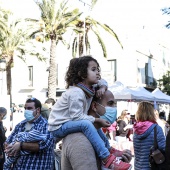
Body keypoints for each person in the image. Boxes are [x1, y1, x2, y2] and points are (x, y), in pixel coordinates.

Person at [48, 56, 132, 170]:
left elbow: (103, 81)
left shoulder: (89, 88)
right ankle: (107, 158)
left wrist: (102, 87)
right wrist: (97, 120)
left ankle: (108, 150)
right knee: (86, 124)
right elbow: (77, 117)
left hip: (68, 123)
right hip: (58, 126)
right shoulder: (76, 93)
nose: (97, 73)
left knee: (92, 127)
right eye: (93, 70)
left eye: (98, 70)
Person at [61, 89, 132, 170]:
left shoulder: (96, 134)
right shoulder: (80, 140)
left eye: (114, 104)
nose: (114, 109)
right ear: (94, 106)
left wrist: (119, 162)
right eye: (110, 103)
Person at [4, 98, 54, 170]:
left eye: (29, 108)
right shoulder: (20, 125)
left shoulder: (46, 125)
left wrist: (20, 145)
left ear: (38, 110)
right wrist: (8, 148)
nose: (26, 111)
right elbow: (9, 140)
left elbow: (44, 145)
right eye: (25, 108)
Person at [133, 101, 165, 170]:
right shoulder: (156, 128)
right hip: (152, 166)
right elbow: (163, 147)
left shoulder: (135, 129)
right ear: (151, 112)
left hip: (138, 166)